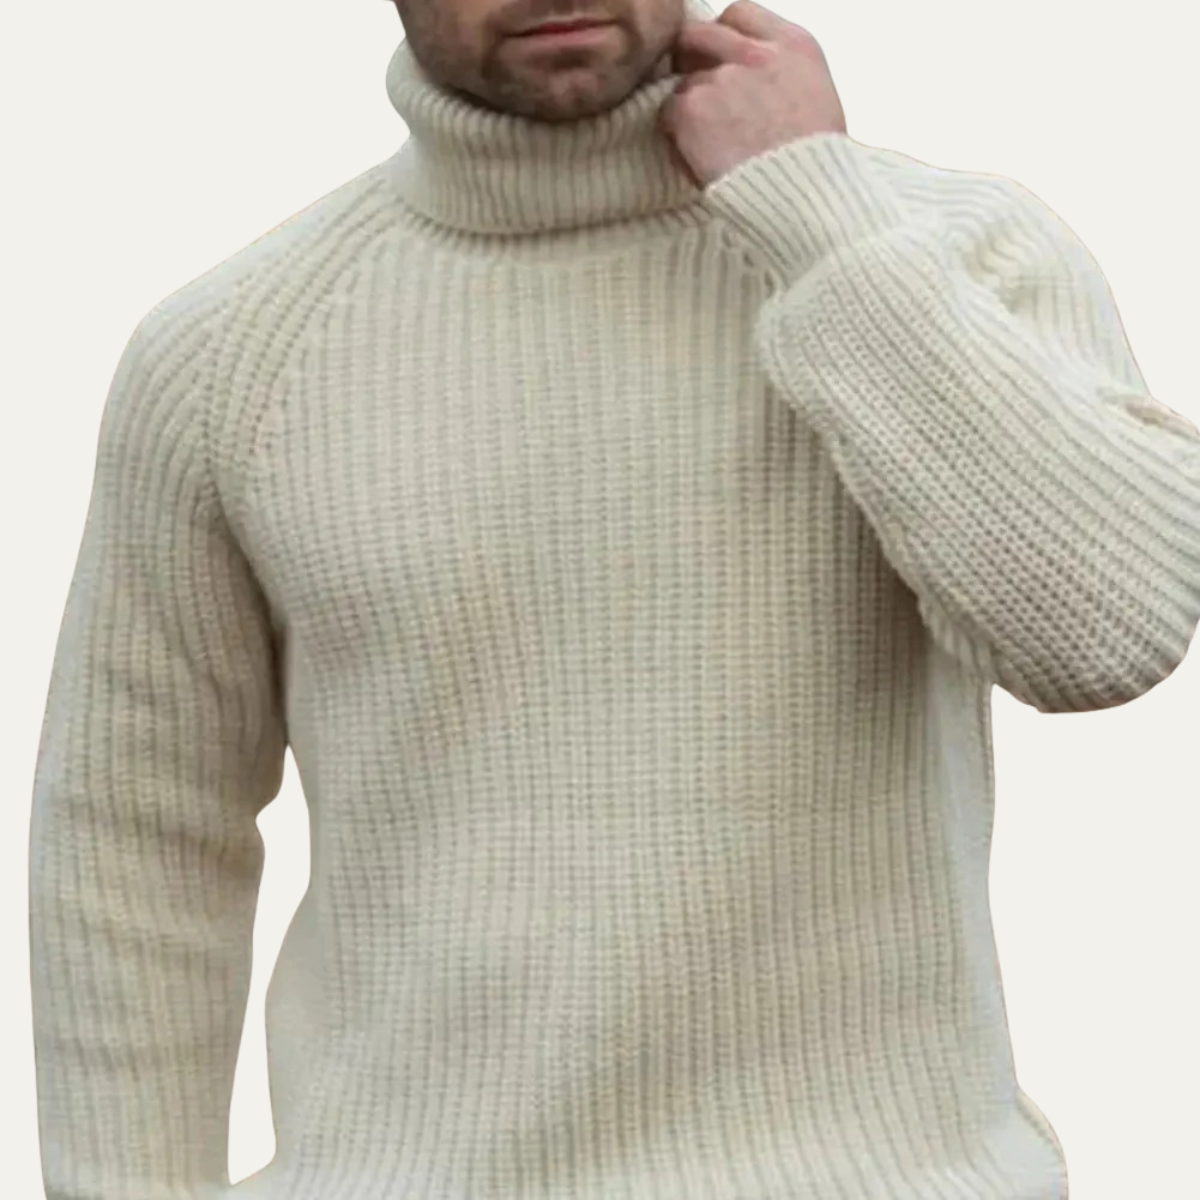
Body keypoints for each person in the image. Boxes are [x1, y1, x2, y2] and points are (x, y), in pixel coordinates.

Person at [27, 2, 1200, 1198]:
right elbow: (138, 835)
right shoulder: (227, 356)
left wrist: (816, 210)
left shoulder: (942, 250)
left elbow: (1104, 634)